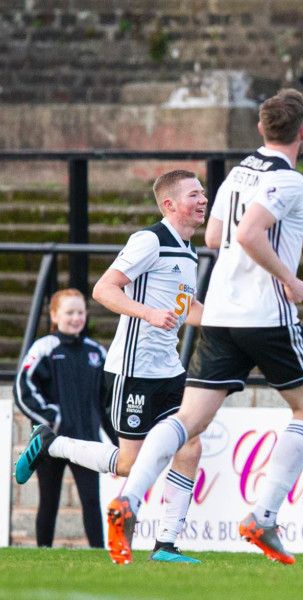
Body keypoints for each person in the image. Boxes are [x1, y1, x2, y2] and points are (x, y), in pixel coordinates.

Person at [105, 89, 303, 567]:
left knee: (187, 422)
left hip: (221, 315)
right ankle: (263, 516)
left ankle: (130, 500)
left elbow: (214, 236)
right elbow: (247, 234)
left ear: (263, 130)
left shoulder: (238, 172)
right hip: (265, 314)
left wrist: (288, 233)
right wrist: (289, 276)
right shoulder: (289, 181)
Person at [15, 170, 208, 564]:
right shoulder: (149, 240)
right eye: (195, 194)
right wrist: (150, 314)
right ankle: (53, 444)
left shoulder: (188, 251)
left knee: (190, 446)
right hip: (132, 371)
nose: (203, 199)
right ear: (170, 204)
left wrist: (238, 323)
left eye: (204, 193)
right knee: (130, 464)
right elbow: (103, 289)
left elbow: (188, 309)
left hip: (168, 370)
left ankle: (166, 545)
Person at [14, 289, 111, 548]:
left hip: (87, 442)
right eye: (69, 312)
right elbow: (23, 390)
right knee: (49, 500)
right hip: (50, 443)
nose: (76, 317)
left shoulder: (97, 353)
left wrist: (117, 442)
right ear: (55, 315)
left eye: (80, 312)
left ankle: (98, 552)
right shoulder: (44, 348)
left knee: (92, 500)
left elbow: (106, 402)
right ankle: (43, 550)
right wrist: (52, 420)